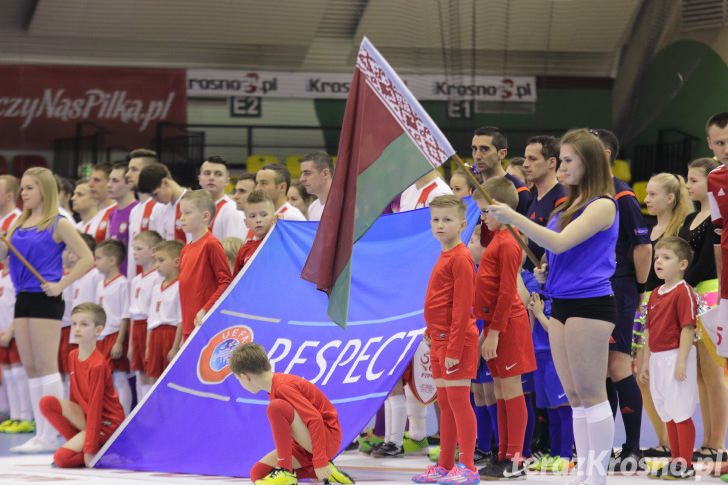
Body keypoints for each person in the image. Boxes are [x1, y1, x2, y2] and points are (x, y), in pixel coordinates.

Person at [487, 129, 619, 485]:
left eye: (569, 160)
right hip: (560, 301)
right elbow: (560, 253)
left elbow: (560, 243)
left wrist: (514, 218)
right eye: (561, 160)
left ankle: (597, 475)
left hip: (590, 303)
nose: (562, 167)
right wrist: (546, 274)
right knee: (575, 395)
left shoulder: (603, 204)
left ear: (589, 163)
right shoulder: (568, 206)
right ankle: (585, 472)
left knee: (591, 392)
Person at [1, 167, 94, 453]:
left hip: (46, 297)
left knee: (46, 366)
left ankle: (52, 431)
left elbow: (87, 258)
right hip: (23, 297)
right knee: (31, 368)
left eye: (29, 188)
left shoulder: (58, 222)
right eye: (22, 189)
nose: (23, 193)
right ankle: (40, 432)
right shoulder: (18, 223)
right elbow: (4, 256)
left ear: (44, 190)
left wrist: (61, 284)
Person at [592, 128, 652, 470]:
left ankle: (633, 449)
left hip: (618, 288)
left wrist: (638, 288)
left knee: (616, 365)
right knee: (597, 370)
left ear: (604, 154)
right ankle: (604, 448)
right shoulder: (580, 194)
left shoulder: (622, 193)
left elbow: (643, 245)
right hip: (589, 289)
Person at [411, 195, 479, 485]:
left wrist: (452, 347)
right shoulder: (445, 254)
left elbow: (463, 308)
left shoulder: (462, 258)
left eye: (447, 219)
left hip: (457, 343)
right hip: (439, 339)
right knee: (447, 405)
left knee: (460, 403)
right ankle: (445, 465)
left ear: (463, 224)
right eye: (436, 219)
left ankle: (468, 467)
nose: (440, 225)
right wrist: (432, 331)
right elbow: (442, 301)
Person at [472, 179, 536, 480]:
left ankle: (516, 457)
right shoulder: (496, 238)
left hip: (508, 324)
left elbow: (507, 291)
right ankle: (502, 454)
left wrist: (494, 332)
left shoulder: (509, 241)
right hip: (496, 323)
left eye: (485, 211)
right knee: (499, 390)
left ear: (502, 208)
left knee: (511, 390)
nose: (482, 217)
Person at [230, 342, 354, 485]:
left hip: (326, 440)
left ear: (245, 376)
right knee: (258, 473)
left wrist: (320, 460)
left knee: (276, 407)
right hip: (307, 441)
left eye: (238, 379)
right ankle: (320, 471)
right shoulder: (274, 386)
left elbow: (315, 419)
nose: (240, 383)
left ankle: (285, 470)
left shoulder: (282, 386)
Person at [520, 135, 570, 471]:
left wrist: (547, 270)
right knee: (541, 389)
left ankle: (565, 453)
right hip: (534, 295)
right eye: (524, 158)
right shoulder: (532, 202)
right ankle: (546, 447)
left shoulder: (562, 199)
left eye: (533, 158)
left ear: (552, 162)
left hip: (555, 300)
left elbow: (561, 246)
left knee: (560, 387)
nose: (526, 164)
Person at [637, 237, 698, 480]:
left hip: (676, 356)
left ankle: (686, 464)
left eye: (666, 257)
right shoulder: (654, 294)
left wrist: (681, 361)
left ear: (682, 264)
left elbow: (688, 328)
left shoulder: (683, 292)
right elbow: (649, 331)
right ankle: (675, 461)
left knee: (681, 410)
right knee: (668, 412)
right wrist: (644, 362)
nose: (658, 262)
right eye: (657, 258)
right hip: (657, 359)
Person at [679, 157, 727, 461]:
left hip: (707, 293)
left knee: (713, 374)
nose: (688, 185)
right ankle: (707, 440)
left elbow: (709, 262)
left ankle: (717, 442)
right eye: (687, 178)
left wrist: (680, 283)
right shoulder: (690, 218)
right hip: (689, 293)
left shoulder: (716, 218)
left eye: (694, 180)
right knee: (699, 375)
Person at [39, 303, 124, 468]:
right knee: (47, 403)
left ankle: (100, 450)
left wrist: (89, 450)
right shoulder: (72, 355)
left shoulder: (97, 365)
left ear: (98, 331)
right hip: (88, 417)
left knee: (62, 458)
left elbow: (95, 407)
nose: (77, 329)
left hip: (106, 422)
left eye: (84, 324)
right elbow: (75, 397)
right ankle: (83, 444)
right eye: (74, 324)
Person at [174, 190, 231, 351]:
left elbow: (226, 282)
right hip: (188, 325)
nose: (181, 218)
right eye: (180, 213)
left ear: (205, 216)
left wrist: (206, 309)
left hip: (204, 324)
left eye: (187, 213)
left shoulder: (211, 244)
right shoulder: (186, 249)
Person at [93, 239, 132, 415]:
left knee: (119, 377)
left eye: (99, 258)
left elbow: (125, 315)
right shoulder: (100, 284)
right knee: (104, 379)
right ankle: (109, 415)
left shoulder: (122, 283)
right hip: (101, 336)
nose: (95, 262)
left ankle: (123, 417)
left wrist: (119, 341)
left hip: (114, 335)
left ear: (112, 260)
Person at [128, 230, 163, 400]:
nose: (134, 252)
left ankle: (152, 411)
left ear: (153, 251)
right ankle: (140, 415)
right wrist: (130, 344)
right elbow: (133, 313)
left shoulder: (157, 278)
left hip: (150, 327)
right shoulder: (136, 280)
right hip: (137, 328)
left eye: (139, 248)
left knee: (151, 372)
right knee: (139, 372)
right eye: (133, 248)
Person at [0, 257, 34, 434]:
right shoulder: (1, 275)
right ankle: (15, 417)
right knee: (8, 376)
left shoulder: (18, 276)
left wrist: (12, 330)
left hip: (16, 330)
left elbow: (22, 305)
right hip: (2, 333)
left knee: (19, 373)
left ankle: (26, 417)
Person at [145, 240, 182, 383]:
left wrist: (175, 347)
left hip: (170, 335)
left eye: (161, 260)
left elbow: (181, 320)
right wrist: (148, 346)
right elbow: (151, 320)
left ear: (176, 262)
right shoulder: (155, 288)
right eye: (155, 261)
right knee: (154, 379)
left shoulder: (181, 286)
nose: (156, 265)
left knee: (171, 380)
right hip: (155, 336)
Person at [125, 149, 165, 278]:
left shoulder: (159, 207)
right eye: (129, 169)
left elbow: (163, 248)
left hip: (155, 281)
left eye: (134, 170)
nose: (128, 174)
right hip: (136, 282)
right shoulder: (135, 211)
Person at [138, 162, 189, 243]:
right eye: (151, 197)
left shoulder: (193, 204)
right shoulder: (158, 209)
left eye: (155, 195)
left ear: (165, 182)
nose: (154, 200)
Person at [199, 156, 246, 241]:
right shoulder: (193, 208)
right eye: (207, 173)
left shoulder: (232, 210)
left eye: (218, 174)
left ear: (227, 181)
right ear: (199, 179)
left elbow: (234, 250)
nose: (211, 178)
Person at [107, 163, 139, 275]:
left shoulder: (137, 211)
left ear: (130, 184)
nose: (109, 185)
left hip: (132, 277)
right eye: (109, 180)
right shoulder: (111, 214)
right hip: (115, 279)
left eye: (115, 181)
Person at [234, 191, 276, 275]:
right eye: (252, 216)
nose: (258, 220)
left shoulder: (280, 244)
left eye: (264, 215)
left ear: (273, 218)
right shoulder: (244, 251)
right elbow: (236, 283)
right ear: (246, 223)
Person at [86, 163, 117, 243]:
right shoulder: (95, 216)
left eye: (97, 180)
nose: (90, 184)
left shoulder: (115, 213)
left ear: (109, 183)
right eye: (90, 179)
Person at [299, 151, 334, 221]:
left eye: (307, 173)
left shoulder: (344, 206)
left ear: (325, 173)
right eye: (302, 174)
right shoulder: (313, 207)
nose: (301, 179)